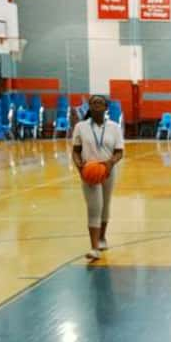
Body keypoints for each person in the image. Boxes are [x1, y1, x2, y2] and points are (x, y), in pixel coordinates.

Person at [71, 95, 125, 261]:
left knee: (105, 206)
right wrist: (80, 166)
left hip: (108, 170)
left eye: (100, 103)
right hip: (89, 171)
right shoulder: (80, 127)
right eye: (93, 103)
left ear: (106, 108)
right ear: (90, 107)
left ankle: (102, 237)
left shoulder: (114, 127)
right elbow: (76, 150)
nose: (96, 105)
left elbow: (119, 151)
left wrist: (110, 163)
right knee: (94, 207)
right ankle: (94, 247)